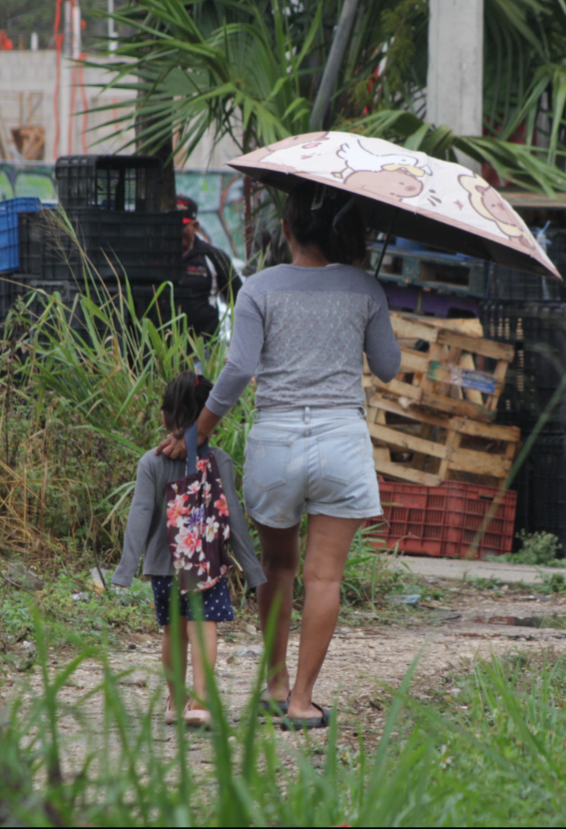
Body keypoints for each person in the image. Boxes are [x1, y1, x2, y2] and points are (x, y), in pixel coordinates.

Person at [157, 181, 402, 730]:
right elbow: (388, 366)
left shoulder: (259, 289)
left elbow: (239, 370)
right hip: (341, 438)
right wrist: (378, 308)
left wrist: (196, 432)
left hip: (277, 441)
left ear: (285, 228)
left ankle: (275, 685)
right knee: (325, 578)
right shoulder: (366, 288)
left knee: (277, 567)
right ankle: (301, 703)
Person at [114, 370, 267, 728]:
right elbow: (234, 519)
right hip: (207, 567)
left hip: (164, 567)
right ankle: (199, 703)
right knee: (203, 627)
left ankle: (174, 699)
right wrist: (253, 568)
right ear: (209, 421)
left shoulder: (151, 462)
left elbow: (139, 515)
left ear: (164, 416)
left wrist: (125, 568)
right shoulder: (220, 462)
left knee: (173, 631)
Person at [175, 196, 242, 337]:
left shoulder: (214, 257)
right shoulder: (156, 258)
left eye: (182, 226)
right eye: (173, 225)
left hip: (205, 348)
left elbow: (240, 300)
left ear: (195, 226)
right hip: (163, 347)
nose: (177, 231)